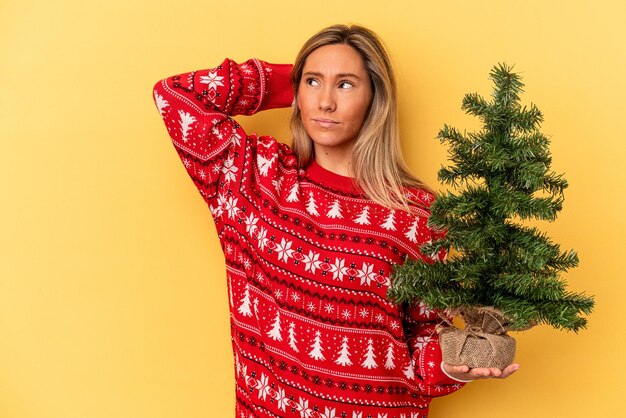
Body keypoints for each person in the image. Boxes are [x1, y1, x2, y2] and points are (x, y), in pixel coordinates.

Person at [152, 23, 518, 418]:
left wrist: (452, 366)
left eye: (346, 85)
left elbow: (423, 338)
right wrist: (294, 82)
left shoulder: (417, 215)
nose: (325, 102)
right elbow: (173, 96)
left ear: (374, 99)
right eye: (313, 82)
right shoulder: (254, 178)